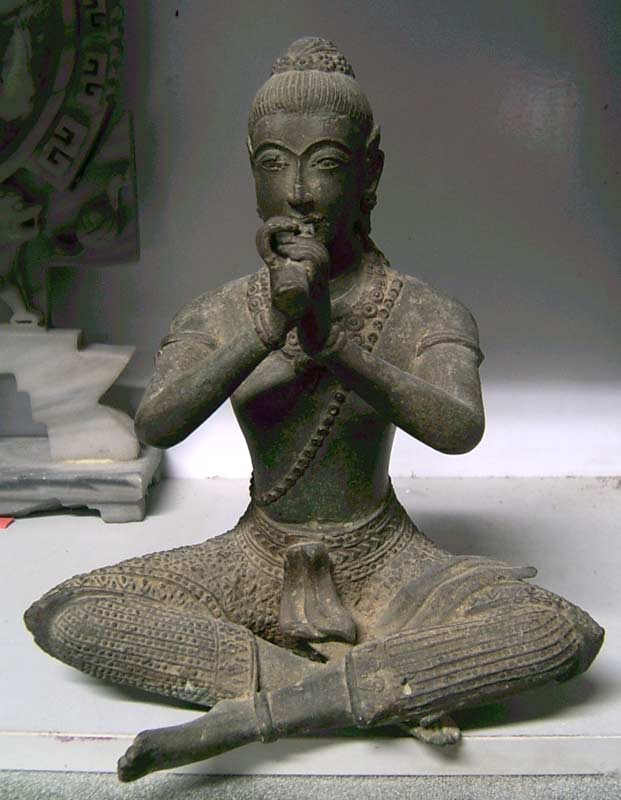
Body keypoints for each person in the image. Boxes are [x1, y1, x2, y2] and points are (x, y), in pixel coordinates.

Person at [24, 38, 603, 782]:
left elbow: (459, 429)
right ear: (252, 174)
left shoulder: (420, 308)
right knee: (70, 612)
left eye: (325, 164)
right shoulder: (220, 312)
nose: (298, 191)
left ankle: (256, 715)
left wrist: (335, 346)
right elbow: (157, 424)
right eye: (274, 164)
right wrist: (269, 326)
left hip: (386, 560)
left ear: (370, 174)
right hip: (256, 557)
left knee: (555, 630)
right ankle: (363, 690)